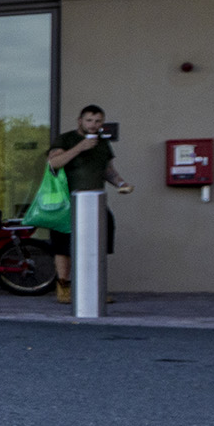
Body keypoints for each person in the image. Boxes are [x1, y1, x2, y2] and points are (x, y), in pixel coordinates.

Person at [41, 105, 130, 304]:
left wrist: (121, 183)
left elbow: (108, 170)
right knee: (64, 246)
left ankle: (93, 288)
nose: (93, 125)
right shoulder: (66, 139)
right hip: (68, 201)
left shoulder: (103, 144)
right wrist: (80, 147)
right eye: (89, 120)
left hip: (95, 201)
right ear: (80, 120)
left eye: (98, 121)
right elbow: (53, 163)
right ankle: (64, 287)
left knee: (98, 243)